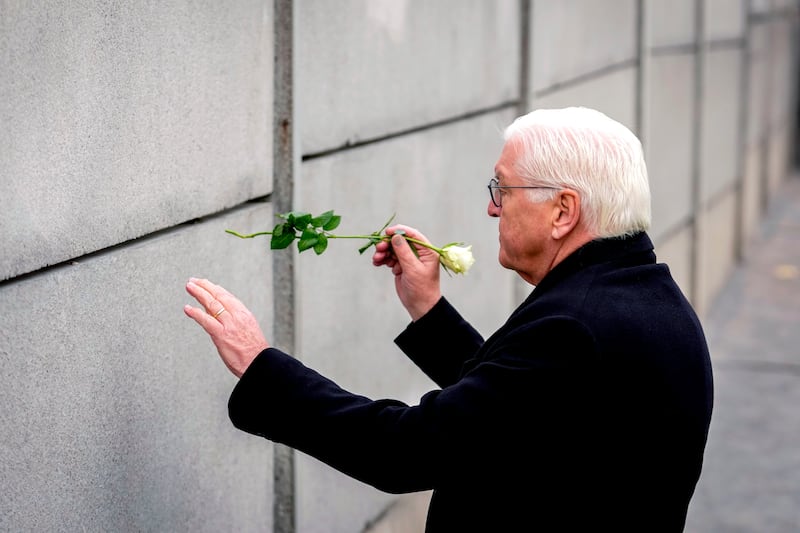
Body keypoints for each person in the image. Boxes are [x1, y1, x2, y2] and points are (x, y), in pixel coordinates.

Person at [184, 106, 714, 532]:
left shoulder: (575, 325)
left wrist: (262, 368)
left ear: (563, 211)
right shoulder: (645, 295)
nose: (492, 208)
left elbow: (406, 450)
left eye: (502, 189)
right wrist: (428, 309)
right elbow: (518, 413)